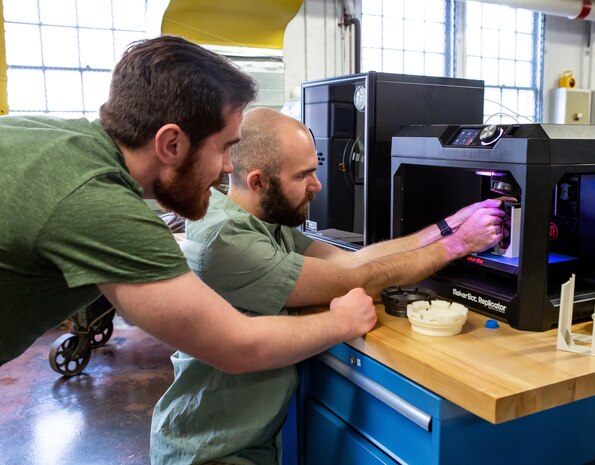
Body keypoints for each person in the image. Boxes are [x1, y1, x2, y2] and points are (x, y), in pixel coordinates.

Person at [0, 36, 376, 376]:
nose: (230, 166)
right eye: (225, 147)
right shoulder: (98, 203)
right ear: (171, 145)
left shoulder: (45, 135)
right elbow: (237, 347)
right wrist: (342, 321)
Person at [150, 107, 506, 465]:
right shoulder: (226, 238)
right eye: (304, 175)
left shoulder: (262, 218)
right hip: (208, 451)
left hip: (246, 441)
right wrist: (458, 246)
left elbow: (353, 260)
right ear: (259, 182)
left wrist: (449, 226)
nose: (317, 185)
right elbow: (354, 280)